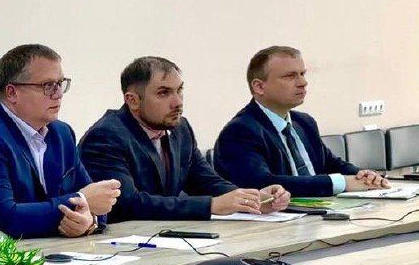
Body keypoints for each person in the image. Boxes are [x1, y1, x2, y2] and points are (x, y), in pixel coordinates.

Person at [0, 44, 121, 238]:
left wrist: (88, 221)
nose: (58, 94)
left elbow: (98, 203)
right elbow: (2, 220)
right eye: (48, 86)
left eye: (60, 84)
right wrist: (81, 200)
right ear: (12, 93)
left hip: (50, 249)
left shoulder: (62, 133)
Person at [79, 56, 290, 222]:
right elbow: (128, 204)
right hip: (120, 241)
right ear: (133, 100)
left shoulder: (181, 129)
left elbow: (205, 181)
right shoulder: (106, 136)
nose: (177, 102)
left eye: (179, 90)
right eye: (164, 93)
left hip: (164, 235)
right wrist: (211, 205)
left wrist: (252, 199)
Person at [214, 46, 389, 197]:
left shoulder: (304, 122)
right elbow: (262, 183)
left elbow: (330, 163)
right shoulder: (240, 131)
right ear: (259, 86)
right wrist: (339, 183)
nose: (303, 82)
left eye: (302, 74)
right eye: (290, 76)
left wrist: (363, 175)